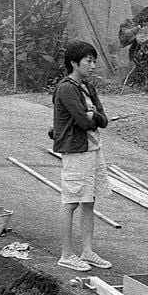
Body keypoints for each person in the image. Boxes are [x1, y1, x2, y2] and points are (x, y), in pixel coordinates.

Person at [50, 41, 111, 272]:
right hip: (76, 150)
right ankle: (67, 254)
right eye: (89, 61)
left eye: (94, 61)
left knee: (89, 200)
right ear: (74, 63)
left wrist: (92, 114)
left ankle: (87, 251)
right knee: (71, 201)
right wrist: (92, 115)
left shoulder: (86, 87)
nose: (93, 65)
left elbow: (102, 120)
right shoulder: (66, 88)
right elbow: (84, 122)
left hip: (92, 148)